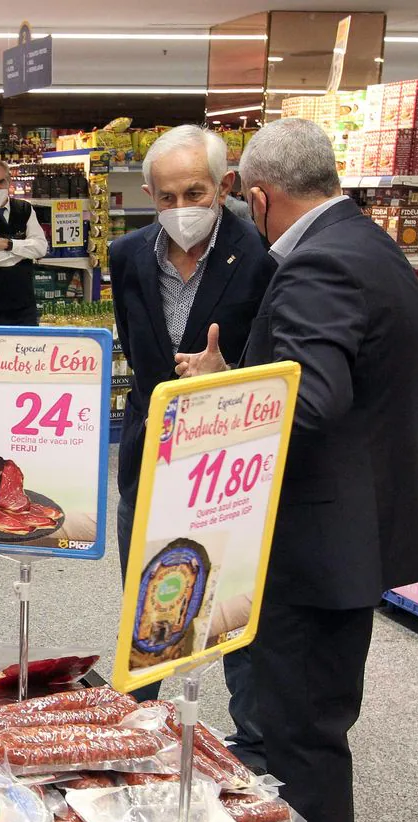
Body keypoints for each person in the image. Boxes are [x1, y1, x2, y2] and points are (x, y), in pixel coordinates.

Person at [174, 117, 418, 822]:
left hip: (308, 547)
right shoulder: (371, 244)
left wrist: (222, 395)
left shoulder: (318, 264)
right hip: (351, 533)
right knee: (314, 718)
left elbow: (311, 398)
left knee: (292, 727)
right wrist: (236, 375)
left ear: (259, 196)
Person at [109, 125, 276, 715]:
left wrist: (226, 371)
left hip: (229, 459)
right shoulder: (126, 255)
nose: (181, 209)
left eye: (195, 193)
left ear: (224, 185)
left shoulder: (262, 256)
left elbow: (279, 359)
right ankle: (139, 724)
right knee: (148, 593)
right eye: (166, 197)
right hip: (150, 452)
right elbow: (138, 347)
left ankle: (250, 738)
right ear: (150, 195)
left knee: (232, 594)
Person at [0, 158, 47, 325]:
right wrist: (23, 252)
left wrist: (7, 245)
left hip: (25, 304)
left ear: (9, 181)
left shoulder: (25, 209)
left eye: (1, 182)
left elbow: (41, 248)